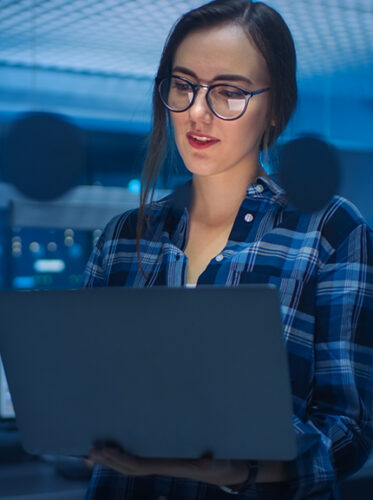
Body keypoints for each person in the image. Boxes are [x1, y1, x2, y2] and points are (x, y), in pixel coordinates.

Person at [83, 1, 373, 498]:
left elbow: (350, 430)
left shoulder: (328, 230)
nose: (197, 111)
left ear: (275, 107)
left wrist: (239, 469)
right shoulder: (120, 239)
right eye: (183, 85)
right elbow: (80, 396)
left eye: (230, 93)